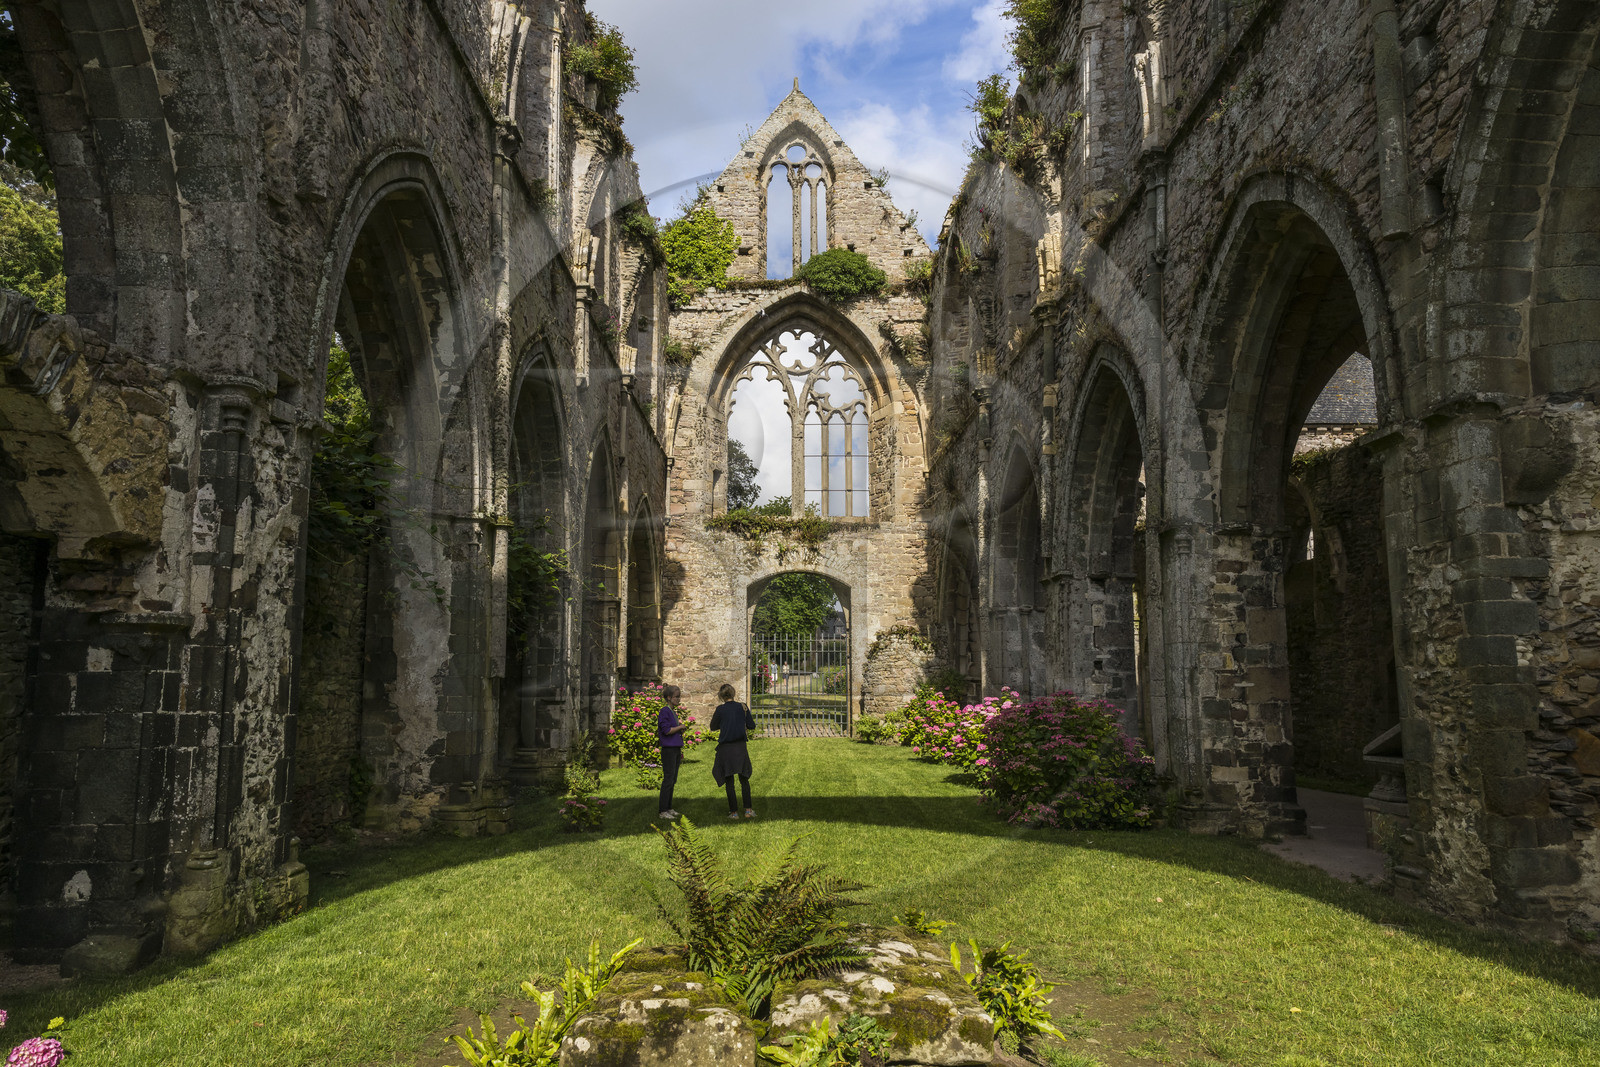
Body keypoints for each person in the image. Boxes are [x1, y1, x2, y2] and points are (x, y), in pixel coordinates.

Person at [709, 682, 757, 819]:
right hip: (740, 747)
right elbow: (751, 725)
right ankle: (748, 810)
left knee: (729, 781)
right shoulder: (742, 707)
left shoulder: (720, 710)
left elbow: (713, 726)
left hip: (726, 748)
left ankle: (734, 812)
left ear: (721, 696)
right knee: (744, 779)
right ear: (734, 693)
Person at [657, 684, 688, 820]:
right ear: (669, 697)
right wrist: (680, 727)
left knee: (673, 779)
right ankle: (663, 810)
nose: (679, 699)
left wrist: (679, 729)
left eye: (679, 696)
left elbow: (672, 729)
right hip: (668, 750)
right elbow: (666, 730)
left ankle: (669, 807)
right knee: (668, 779)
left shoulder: (672, 712)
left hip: (675, 748)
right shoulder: (665, 711)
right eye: (676, 697)